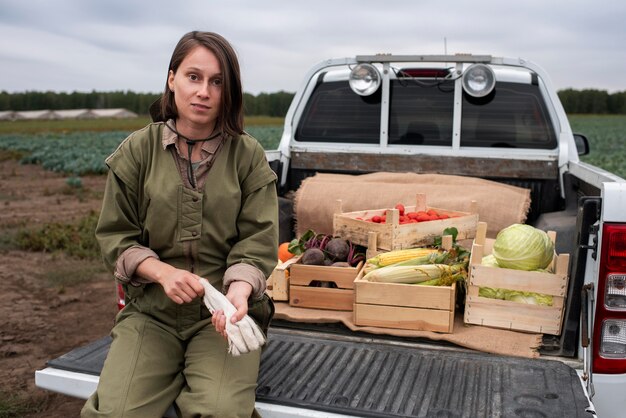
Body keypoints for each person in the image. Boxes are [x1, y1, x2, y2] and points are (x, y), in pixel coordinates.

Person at [81, 31, 278, 418]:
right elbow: (116, 237)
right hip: (151, 313)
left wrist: (238, 293)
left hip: (223, 317)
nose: (204, 91)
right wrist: (162, 273)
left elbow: (258, 239)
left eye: (217, 81)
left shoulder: (247, 155)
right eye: (193, 77)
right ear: (172, 79)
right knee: (117, 413)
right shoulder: (137, 152)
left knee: (220, 411)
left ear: (228, 91)